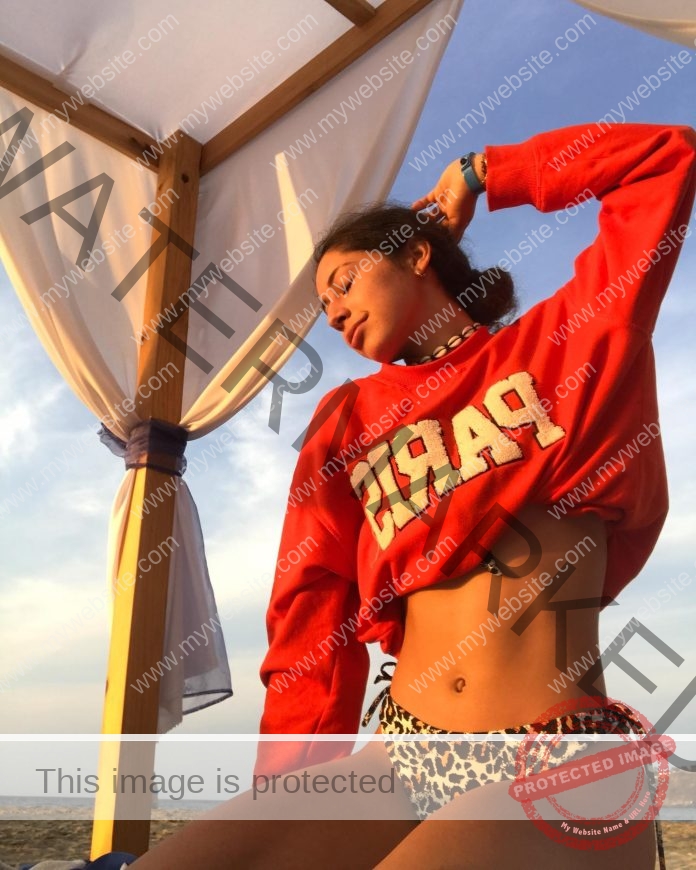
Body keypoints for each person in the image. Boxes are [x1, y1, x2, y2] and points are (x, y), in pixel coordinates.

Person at [132, 121, 696, 869]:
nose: (330, 311)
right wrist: (293, 789)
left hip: (556, 753)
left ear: (417, 254)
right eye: (323, 304)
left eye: (343, 281)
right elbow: (311, 615)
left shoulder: (565, 343)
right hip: (405, 753)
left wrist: (484, 172)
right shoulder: (345, 422)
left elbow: (664, 164)